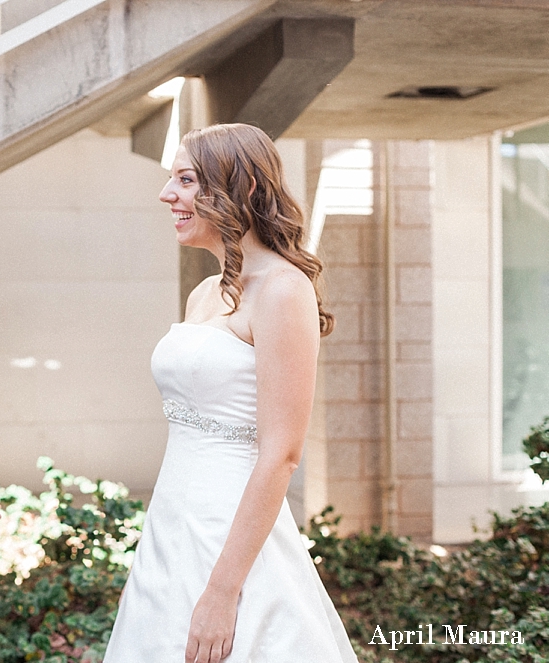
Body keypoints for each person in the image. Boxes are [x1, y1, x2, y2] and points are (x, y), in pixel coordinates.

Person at [103, 123, 358, 663]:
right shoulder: (204, 293)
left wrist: (222, 591)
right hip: (172, 523)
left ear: (237, 189)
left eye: (186, 180)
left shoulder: (284, 289)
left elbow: (283, 454)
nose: (166, 193)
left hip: (233, 534)